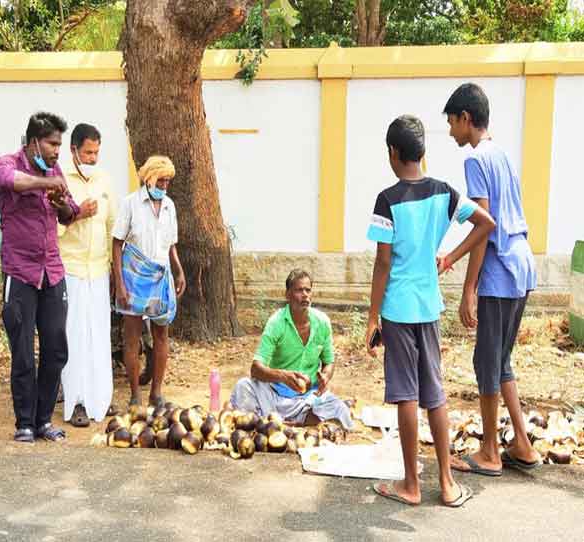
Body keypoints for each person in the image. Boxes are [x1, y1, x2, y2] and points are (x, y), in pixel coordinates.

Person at [365, 115, 495, 507]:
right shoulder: (445, 192)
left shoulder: (387, 200)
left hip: (399, 310)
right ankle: (447, 481)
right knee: (434, 393)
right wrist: (451, 256)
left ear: (393, 153)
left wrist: (373, 316)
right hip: (429, 306)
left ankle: (410, 484)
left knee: (406, 395)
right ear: (423, 152)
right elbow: (485, 223)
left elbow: (383, 263)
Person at [444, 83, 543, 475]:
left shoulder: (475, 159)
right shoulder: (501, 153)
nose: (451, 131)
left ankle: (489, 451)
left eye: (452, 122)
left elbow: (484, 226)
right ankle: (521, 443)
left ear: (466, 119)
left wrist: (467, 286)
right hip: (522, 264)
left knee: (487, 361)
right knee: (500, 361)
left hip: (500, 271)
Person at [0, 112, 80, 443]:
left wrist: (61, 204)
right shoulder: (8, 162)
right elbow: (11, 181)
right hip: (20, 272)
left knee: (56, 346)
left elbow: (70, 215)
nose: (58, 151)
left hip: (52, 270)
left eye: (59, 143)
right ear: (33, 142)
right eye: (52, 143)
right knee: (23, 352)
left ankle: (44, 420)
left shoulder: (56, 172)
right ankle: (24, 423)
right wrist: (47, 184)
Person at [229, 269, 353, 429]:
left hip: (309, 398)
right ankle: (281, 421)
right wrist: (283, 376)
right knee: (243, 387)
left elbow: (329, 362)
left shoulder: (322, 322)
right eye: (299, 290)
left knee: (339, 409)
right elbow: (256, 369)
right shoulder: (277, 322)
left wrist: (326, 377)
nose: (305, 295)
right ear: (287, 295)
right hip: (274, 394)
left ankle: (282, 423)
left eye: (308, 290)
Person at [112, 155, 186, 408]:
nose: (165, 185)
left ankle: (156, 392)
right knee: (131, 336)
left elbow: (171, 244)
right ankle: (134, 395)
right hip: (134, 275)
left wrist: (179, 270)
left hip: (161, 274)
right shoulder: (130, 204)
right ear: (148, 178)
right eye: (161, 180)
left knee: (161, 334)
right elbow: (117, 243)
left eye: (168, 181)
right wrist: (119, 284)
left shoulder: (169, 206)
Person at [59, 123, 116, 427]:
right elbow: (51, 228)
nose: (93, 157)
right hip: (71, 270)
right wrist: (78, 212)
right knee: (75, 336)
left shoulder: (104, 179)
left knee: (99, 336)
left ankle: (101, 398)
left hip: (98, 269)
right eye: (87, 152)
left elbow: (112, 227)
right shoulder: (60, 180)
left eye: (96, 152)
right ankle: (77, 402)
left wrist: (112, 268)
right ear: (74, 151)